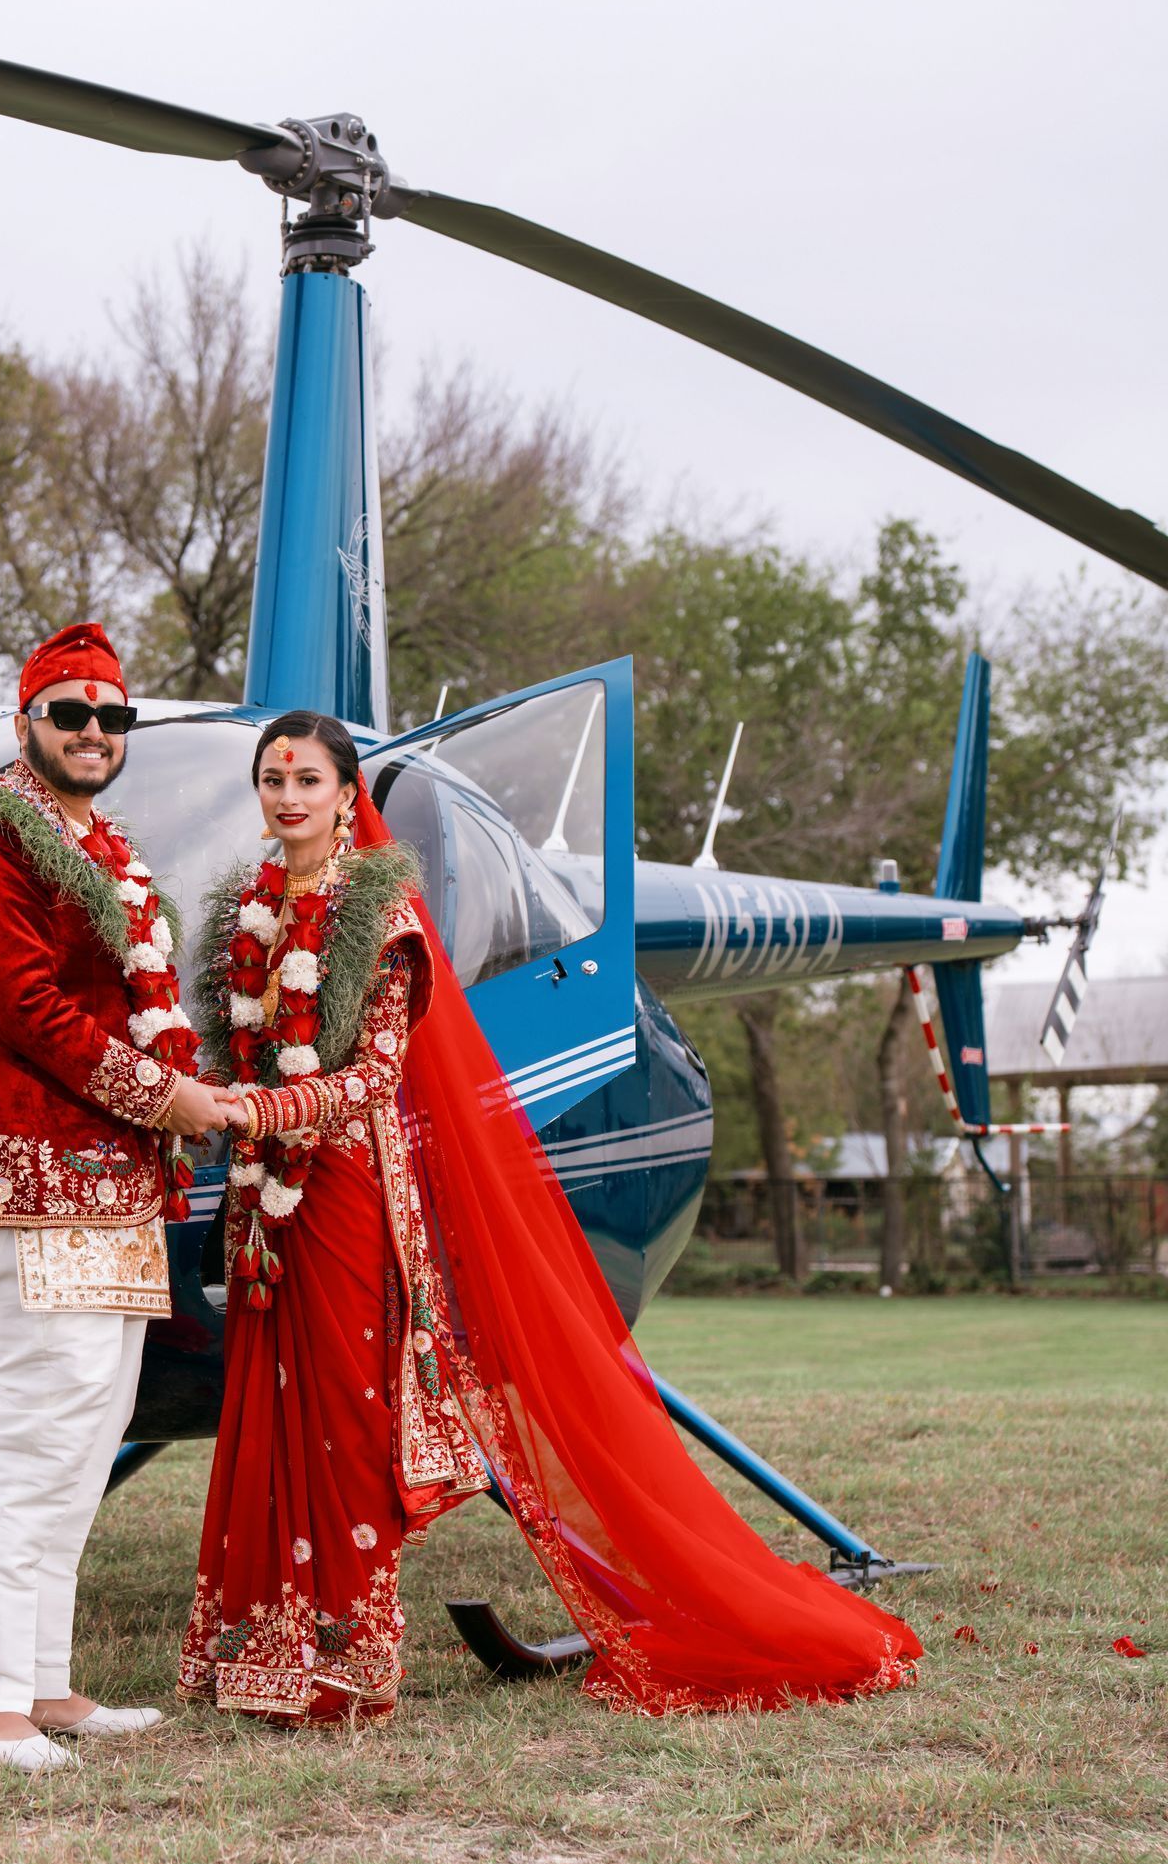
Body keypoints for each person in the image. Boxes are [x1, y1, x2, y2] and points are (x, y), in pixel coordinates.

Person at [180, 712, 922, 1725]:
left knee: (346, 1417)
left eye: (308, 778)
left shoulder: (382, 915)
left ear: (347, 794)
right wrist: (212, 1107)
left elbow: (376, 1077)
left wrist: (259, 1109)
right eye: (272, 779)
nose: (288, 797)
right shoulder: (248, 916)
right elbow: (237, 1048)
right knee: (273, 1402)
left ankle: (355, 1659)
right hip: (264, 1197)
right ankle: (267, 1645)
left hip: (348, 1190)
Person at [0, 623, 244, 1773]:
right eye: (73, 715)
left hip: (115, 1189)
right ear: (26, 725)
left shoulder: (102, 845)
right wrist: (172, 1097)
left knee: (86, 1430)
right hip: (32, 1183)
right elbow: (25, 1010)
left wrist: (175, 1099)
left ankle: (43, 1685)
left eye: (115, 718)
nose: (96, 733)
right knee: (36, 1429)